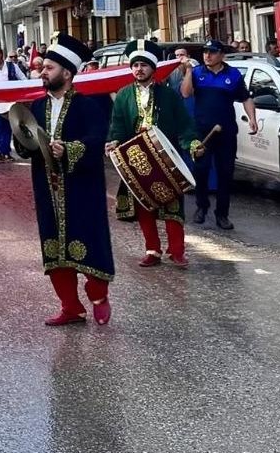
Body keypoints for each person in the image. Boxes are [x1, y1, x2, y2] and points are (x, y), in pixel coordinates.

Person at [22, 33, 115, 325]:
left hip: (82, 186)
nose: (43, 73)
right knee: (53, 246)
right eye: (43, 68)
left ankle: (98, 296)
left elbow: (97, 138)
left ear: (67, 72)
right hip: (47, 186)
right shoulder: (36, 107)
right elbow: (25, 143)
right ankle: (70, 307)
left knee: (88, 240)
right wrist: (23, 140)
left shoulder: (90, 105)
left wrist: (70, 148)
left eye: (49, 68)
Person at [108, 40, 203, 268]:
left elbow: (184, 124)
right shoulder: (123, 95)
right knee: (144, 205)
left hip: (164, 156)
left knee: (172, 205)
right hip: (136, 156)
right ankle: (153, 250)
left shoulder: (168, 95)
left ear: (153, 67)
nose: (138, 69)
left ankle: (177, 252)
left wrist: (192, 143)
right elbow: (117, 125)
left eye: (143, 65)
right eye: (135, 65)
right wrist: (113, 142)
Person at [180, 40, 259, 230]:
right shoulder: (198, 73)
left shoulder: (233, 75)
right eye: (205, 52)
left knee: (225, 173)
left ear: (222, 55)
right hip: (202, 131)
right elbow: (185, 93)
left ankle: (222, 214)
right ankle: (201, 207)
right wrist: (189, 72)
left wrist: (252, 118)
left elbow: (246, 97)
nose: (207, 55)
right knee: (202, 170)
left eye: (212, 52)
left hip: (226, 131)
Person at [0, 47, 25, 161]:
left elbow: (23, 79)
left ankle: (5, 151)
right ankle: (1, 151)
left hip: (11, 102)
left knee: (8, 127)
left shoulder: (12, 66)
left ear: (1, 55)